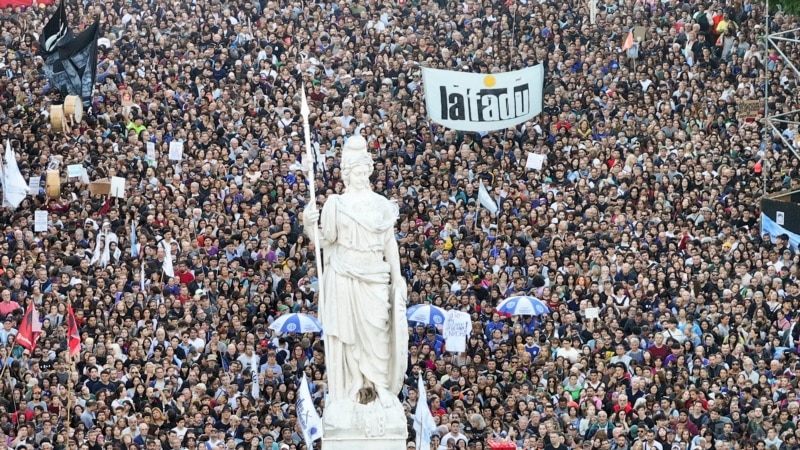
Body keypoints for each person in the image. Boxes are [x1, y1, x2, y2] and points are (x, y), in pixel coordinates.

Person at [303, 135, 407, 406]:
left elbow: (389, 243)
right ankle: (356, 386)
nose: (360, 176)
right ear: (347, 174)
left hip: (374, 274)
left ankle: (380, 386)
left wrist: (398, 278)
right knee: (348, 335)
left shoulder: (381, 204)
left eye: (364, 171)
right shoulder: (337, 204)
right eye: (355, 172)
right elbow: (325, 241)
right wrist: (307, 223)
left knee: (377, 332)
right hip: (343, 273)